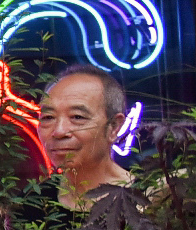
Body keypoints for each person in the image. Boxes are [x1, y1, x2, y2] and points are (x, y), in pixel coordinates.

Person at [39, 63, 135, 212]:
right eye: (48, 117)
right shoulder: (31, 204)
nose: (59, 131)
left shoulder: (153, 198)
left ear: (114, 126)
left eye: (77, 117)